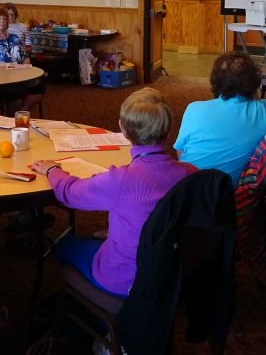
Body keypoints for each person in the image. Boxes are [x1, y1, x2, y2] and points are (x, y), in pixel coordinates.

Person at [30, 88, 196, 297]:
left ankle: (90, 315)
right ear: (170, 130)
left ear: (122, 129)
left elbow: (71, 193)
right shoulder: (191, 174)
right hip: (171, 272)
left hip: (125, 279)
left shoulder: (121, 179)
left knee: (64, 244)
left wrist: (52, 170)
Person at [174, 52, 266, 179]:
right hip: (234, 194)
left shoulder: (194, 109)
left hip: (188, 188)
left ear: (214, 81)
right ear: (255, 81)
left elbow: (180, 152)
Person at [0, 8, 44, 112]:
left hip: (20, 77)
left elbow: (25, 57)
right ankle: (16, 113)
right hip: (1, 80)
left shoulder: (14, 38)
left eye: (5, 19)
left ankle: (22, 112)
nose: (2, 21)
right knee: (14, 96)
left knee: (39, 86)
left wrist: (25, 70)